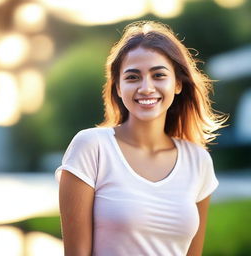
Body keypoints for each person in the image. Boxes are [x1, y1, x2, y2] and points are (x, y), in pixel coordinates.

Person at [55, 20, 227, 256]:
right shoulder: (92, 147)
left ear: (177, 84)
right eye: (133, 77)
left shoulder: (198, 161)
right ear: (117, 87)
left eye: (158, 75)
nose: (146, 87)